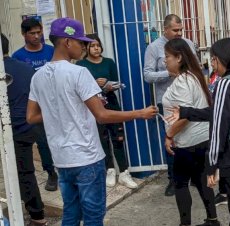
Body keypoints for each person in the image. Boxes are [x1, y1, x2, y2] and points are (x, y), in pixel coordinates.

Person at [26, 17, 157, 226]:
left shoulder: (38, 76)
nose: (85, 47)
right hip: (86, 157)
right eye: (81, 42)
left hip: (61, 158)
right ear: (67, 42)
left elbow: (31, 116)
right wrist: (140, 113)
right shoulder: (79, 72)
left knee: (71, 213)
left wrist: (59, 111)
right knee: (94, 216)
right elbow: (102, 115)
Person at [166, 38, 230, 226]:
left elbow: (219, 126)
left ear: (222, 59)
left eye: (213, 59)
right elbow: (220, 113)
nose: (211, 64)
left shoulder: (224, 84)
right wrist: (187, 112)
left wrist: (211, 166)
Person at [162, 38, 220, 226]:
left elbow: (184, 115)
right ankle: (212, 219)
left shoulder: (183, 81)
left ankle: (185, 223)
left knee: (180, 183)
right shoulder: (193, 76)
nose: (165, 61)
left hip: (188, 142)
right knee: (202, 181)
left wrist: (169, 135)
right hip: (201, 138)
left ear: (179, 58)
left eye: (167, 57)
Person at [143, 14, 197, 196]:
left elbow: (196, 66)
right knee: (171, 139)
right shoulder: (153, 48)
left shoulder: (188, 44)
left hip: (188, 97)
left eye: (181, 30)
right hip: (167, 100)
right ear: (165, 29)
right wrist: (168, 73)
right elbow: (148, 75)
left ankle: (196, 175)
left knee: (193, 134)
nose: (179, 33)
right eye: (175, 30)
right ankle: (174, 179)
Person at [76, 34, 137, 189]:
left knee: (118, 137)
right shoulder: (81, 64)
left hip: (111, 103)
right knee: (102, 138)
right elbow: (80, 87)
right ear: (86, 48)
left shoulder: (109, 62)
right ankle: (109, 170)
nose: (96, 48)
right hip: (94, 106)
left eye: (98, 45)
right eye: (92, 46)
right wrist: (95, 84)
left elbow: (118, 83)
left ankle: (123, 172)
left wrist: (109, 85)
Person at [2, 33, 47, 226]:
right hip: (29, 126)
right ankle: (36, 214)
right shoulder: (26, 68)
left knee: (23, 174)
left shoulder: (5, 70)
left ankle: (37, 216)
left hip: (11, 129)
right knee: (25, 171)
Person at [12, 17, 58, 191]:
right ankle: (51, 173)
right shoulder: (18, 57)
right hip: (36, 105)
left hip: (56, 102)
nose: (37, 36)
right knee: (43, 141)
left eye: (39, 32)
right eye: (32, 33)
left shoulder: (51, 51)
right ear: (23, 34)